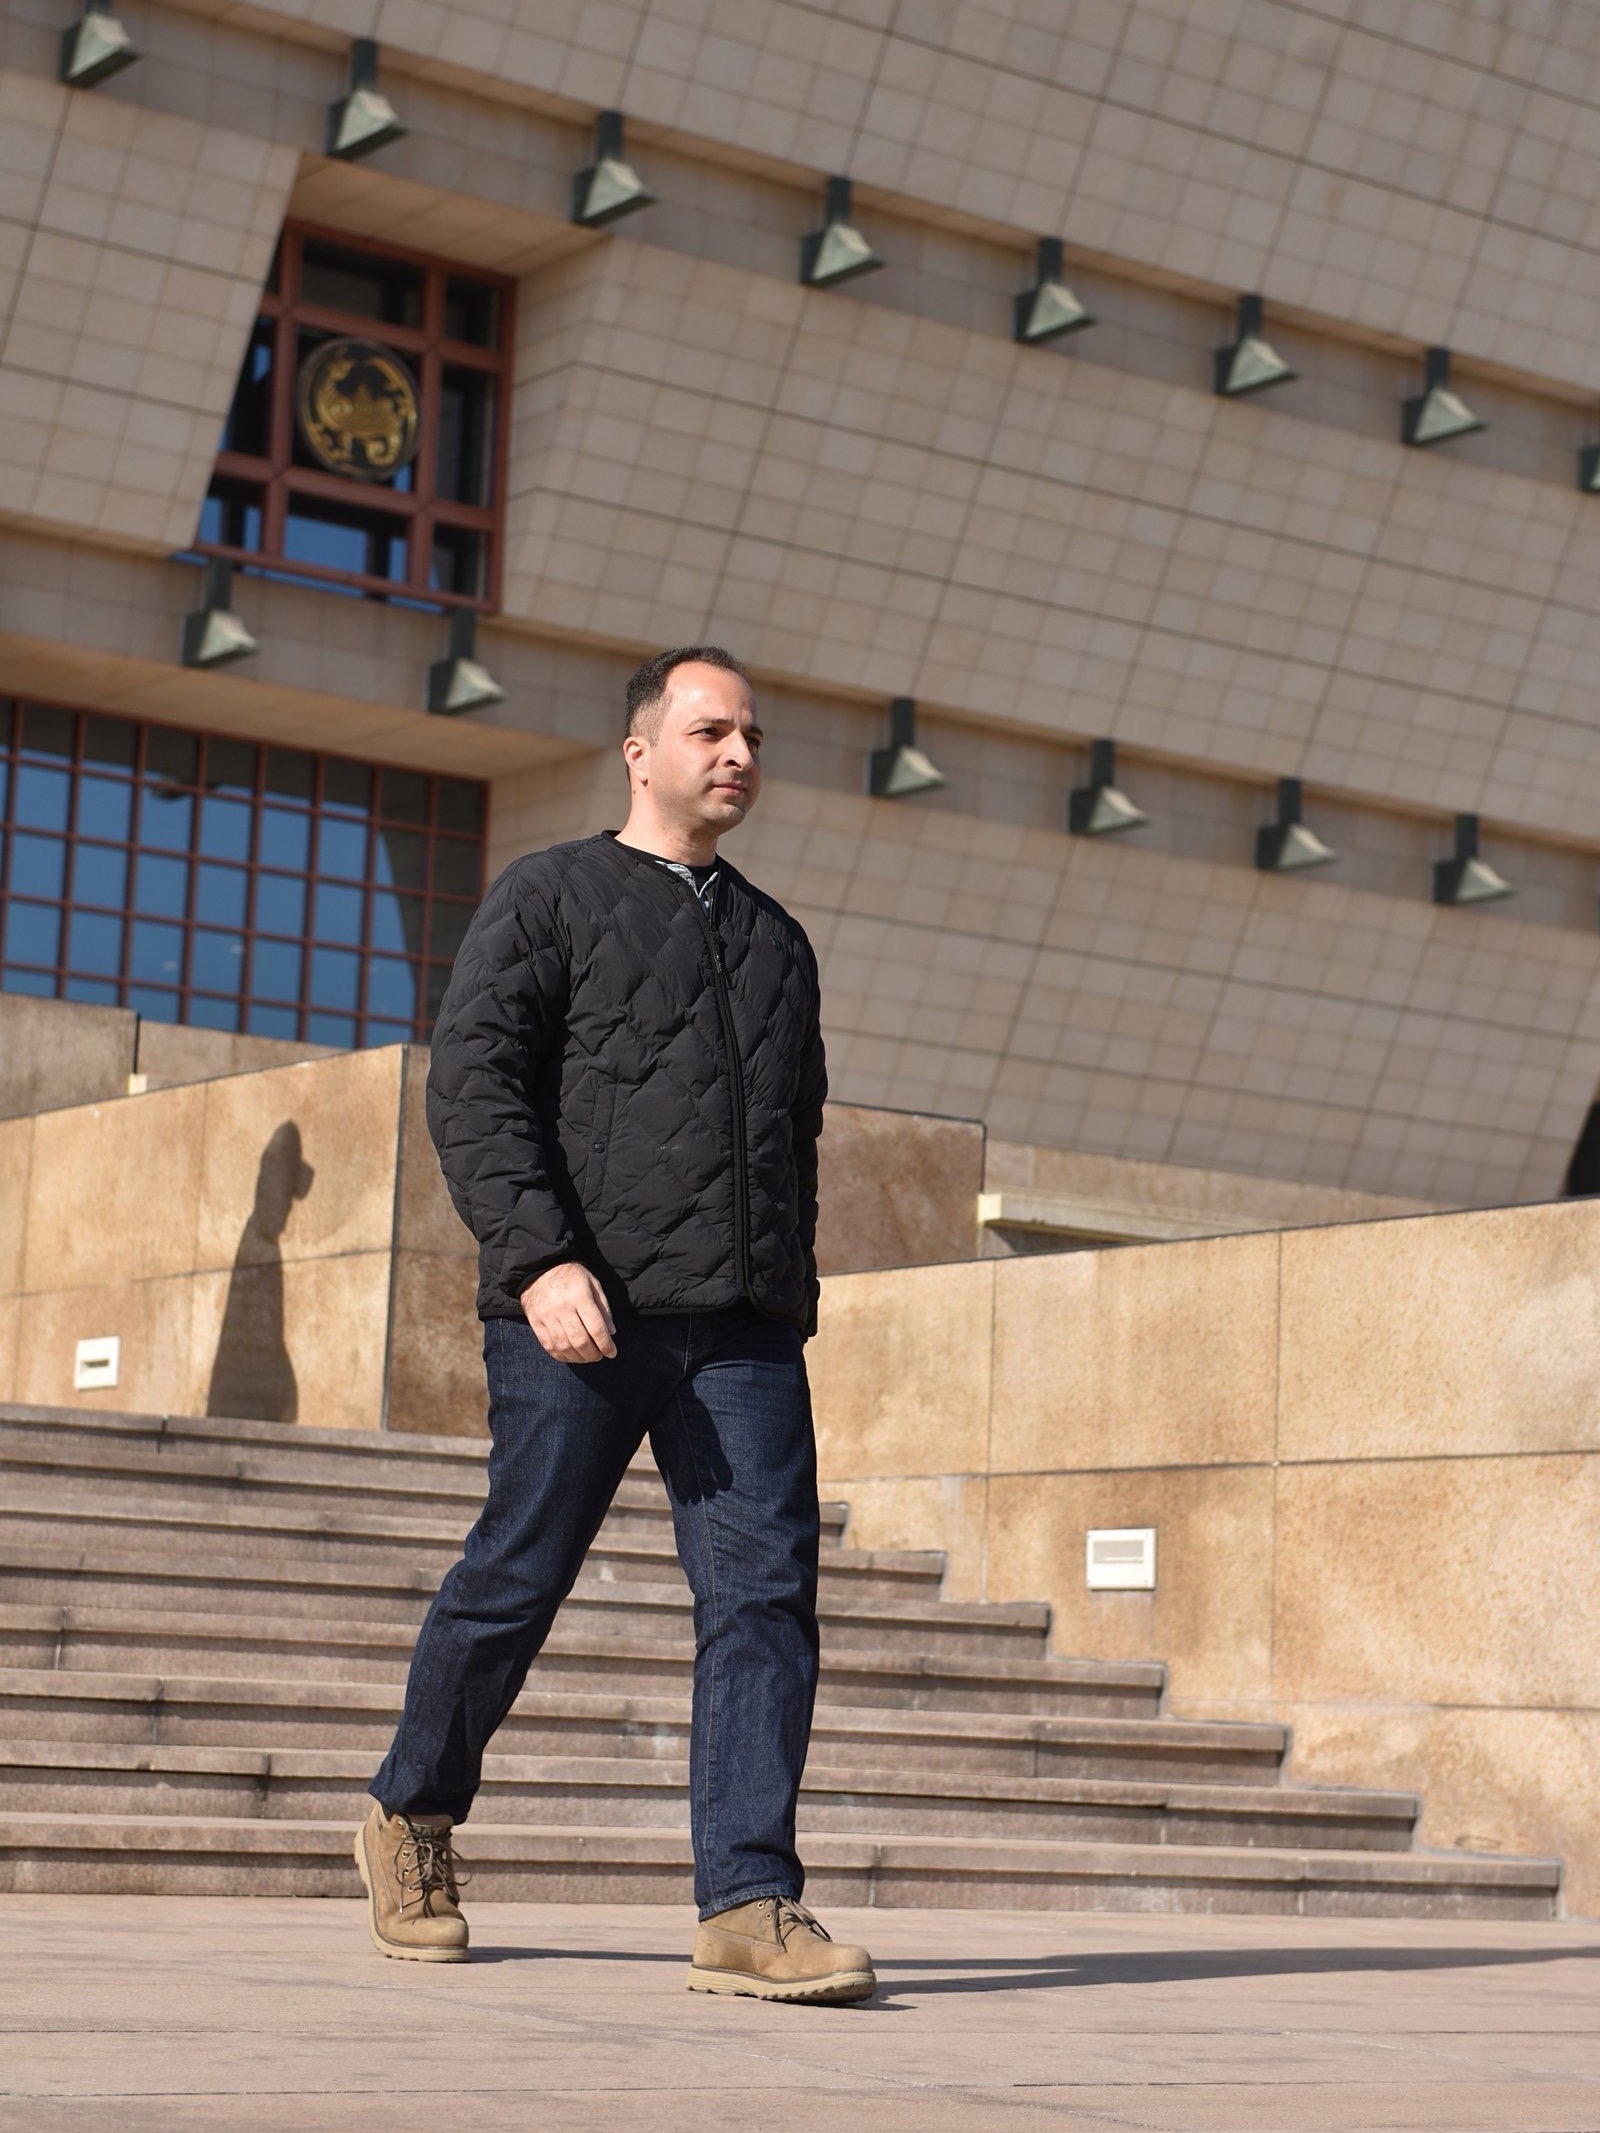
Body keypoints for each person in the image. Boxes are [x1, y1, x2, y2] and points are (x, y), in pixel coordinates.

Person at [354, 645, 875, 2004]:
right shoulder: (550, 897)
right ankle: (411, 1812)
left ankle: (750, 1901)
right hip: (579, 1312)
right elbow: (474, 1088)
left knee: (765, 1601)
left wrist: (789, 1299)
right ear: (640, 751)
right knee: (519, 1570)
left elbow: (792, 1139)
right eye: (710, 730)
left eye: (753, 733)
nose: (739, 752)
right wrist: (537, 1261)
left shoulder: (778, 946)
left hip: (744, 1333)